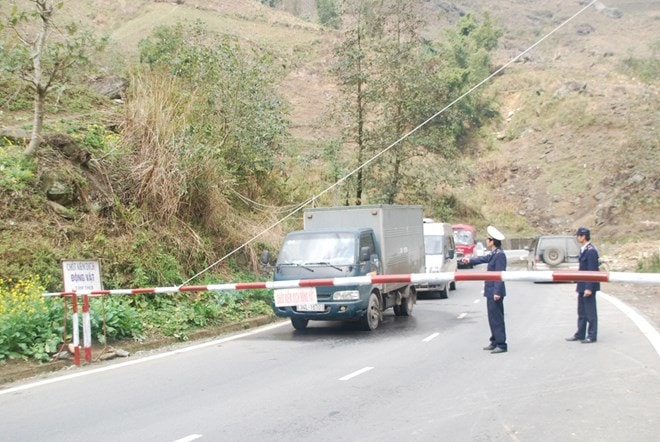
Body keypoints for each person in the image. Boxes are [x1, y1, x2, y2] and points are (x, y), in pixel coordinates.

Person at [462, 225, 508, 354]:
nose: (486, 241)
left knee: (497, 318)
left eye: (488, 239)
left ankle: (501, 344)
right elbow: (483, 259)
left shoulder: (500, 255)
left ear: (492, 241)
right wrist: (469, 260)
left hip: (495, 291)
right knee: (492, 317)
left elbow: (499, 274)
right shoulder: (494, 253)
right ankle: (494, 340)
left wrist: (497, 292)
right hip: (490, 290)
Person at [566, 227, 600, 343]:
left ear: (583, 236)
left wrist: (589, 288)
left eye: (578, 236)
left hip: (588, 286)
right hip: (582, 285)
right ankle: (580, 333)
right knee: (581, 312)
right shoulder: (583, 249)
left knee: (590, 312)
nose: (577, 237)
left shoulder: (591, 251)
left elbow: (592, 271)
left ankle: (591, 335)